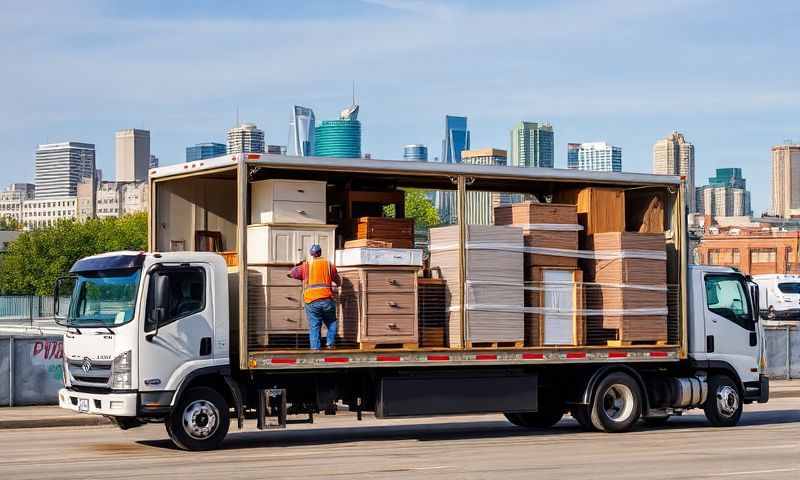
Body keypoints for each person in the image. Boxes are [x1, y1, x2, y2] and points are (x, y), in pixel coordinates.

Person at [289, 244, 341, 350]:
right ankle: (330, 343)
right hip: (327, 299)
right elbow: (338, 281)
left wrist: (297, 265)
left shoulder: (306, 265)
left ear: (311, 254)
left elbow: (290, 273)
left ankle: (315, 350)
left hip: (311, 301)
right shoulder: (329, 264)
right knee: (332, 322)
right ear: (320, 252)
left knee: (314, 326)